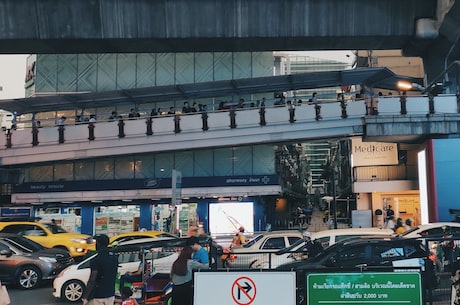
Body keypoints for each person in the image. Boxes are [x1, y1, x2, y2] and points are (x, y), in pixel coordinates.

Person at [81, 234, 118, 305]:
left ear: (98, 244)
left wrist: (85, 297)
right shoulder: (114, 257)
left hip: (98, 295)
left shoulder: (96, 260)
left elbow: (92, 279)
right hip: (110, 293)